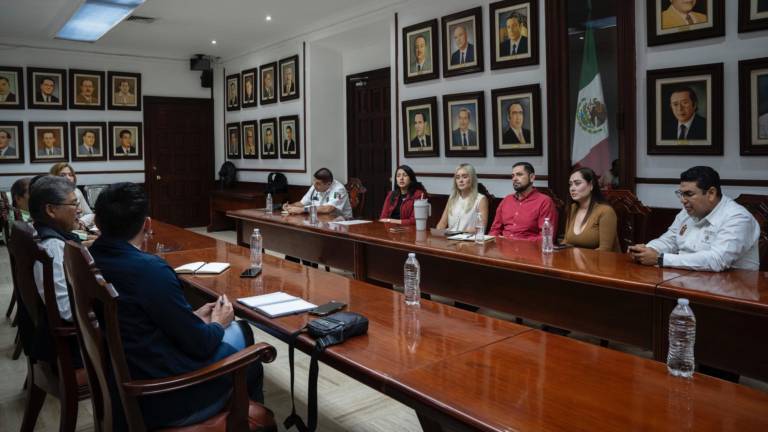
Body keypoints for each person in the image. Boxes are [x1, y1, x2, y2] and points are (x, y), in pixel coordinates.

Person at [89, 182, 266, 429]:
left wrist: (191, 316)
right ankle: (246, 420)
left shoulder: (91, 257)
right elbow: (200, 345)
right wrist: (217, 323)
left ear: (97, 223)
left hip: (123, 380)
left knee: (234, 331)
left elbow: (142, 316)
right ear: (147, 224)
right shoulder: (149, 270)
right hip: (166, 397)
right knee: (248, 346)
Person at [629, 166, 760, 271]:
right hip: (687, 279)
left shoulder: (738, 218)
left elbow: (717, 260)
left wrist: (660, 259)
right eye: (681, 194)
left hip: (734, 291)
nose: (682, 200)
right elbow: (669, 240)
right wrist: (647, 250)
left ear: (711, 193)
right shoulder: (687, 212)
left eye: (689, 194)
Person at [28, 176, 82, 324]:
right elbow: (65, 309)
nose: (80, 210)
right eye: (74, 204)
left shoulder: (41, 231)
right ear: (51, 210)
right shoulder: (52, 246)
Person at [489, 162, 558, 239]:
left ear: (531, 177)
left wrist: (520, 242)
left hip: (529, 249)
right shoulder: (507, 200)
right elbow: (495, 230)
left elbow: (546, 237)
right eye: (513, 176)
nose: (514, 179)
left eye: (519, 174)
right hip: (503, 247)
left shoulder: (545, 201)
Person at [563, 167, 619, 252]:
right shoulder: (573, 208)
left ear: (591, 185)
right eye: (570, 184)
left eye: (577, 183)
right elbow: (566, 241)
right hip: (573, 262)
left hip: (600, 263)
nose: (572, 188)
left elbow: (605, 250)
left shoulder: (606, 211)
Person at [436, 163, 488, 233]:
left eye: (464, 177)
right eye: (457, 177)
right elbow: (442, 223)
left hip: (468, 240)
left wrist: (461, 232)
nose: (460, 180)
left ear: (472, 179)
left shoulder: (481, 199)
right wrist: (438, 233)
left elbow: (481, 228)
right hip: (450, 239)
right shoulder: (452, 197)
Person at [283, 168, 353, 219]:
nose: (314, 185)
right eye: (314, 181)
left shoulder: (338, 189)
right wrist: (290, 206)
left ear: (328, 184)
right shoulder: (315, 186)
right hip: (321, 218)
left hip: (342, 221)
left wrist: (302, 210)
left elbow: (328, 209)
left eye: (318, 183)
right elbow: (302, 203)